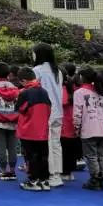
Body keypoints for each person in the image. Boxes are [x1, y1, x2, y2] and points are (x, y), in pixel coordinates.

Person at [33, 43, 64, 188]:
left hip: (47, 111)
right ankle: (57, 174)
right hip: (58, 111)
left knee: (49, 143)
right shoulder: (58, 71)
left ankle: (51, 174)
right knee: (56, 143)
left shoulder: (37, 70)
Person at [72, 66, 103, 191]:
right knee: (101, 155)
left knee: (91, 155)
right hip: (102, 128)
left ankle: (95, 179)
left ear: (81, 77)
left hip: (88, 128)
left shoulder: (79, 93)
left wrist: (76, 128)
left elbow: (77, 112)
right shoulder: (100, 92)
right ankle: (102, 177)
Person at [16, 67, 51, 191]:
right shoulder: (44, 91)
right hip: (43, 130)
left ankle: (33, 180)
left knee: (31, 157)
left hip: (28, 130)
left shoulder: (24, 93)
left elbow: (19, 109)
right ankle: (44, 181)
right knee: (43, 156)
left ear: (23, 81)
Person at [0, 63, 20, 180]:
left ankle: (3, 171)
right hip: (13, 120)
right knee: (12, 146)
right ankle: (12, 171)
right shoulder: (14, 87)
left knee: (0, 146)